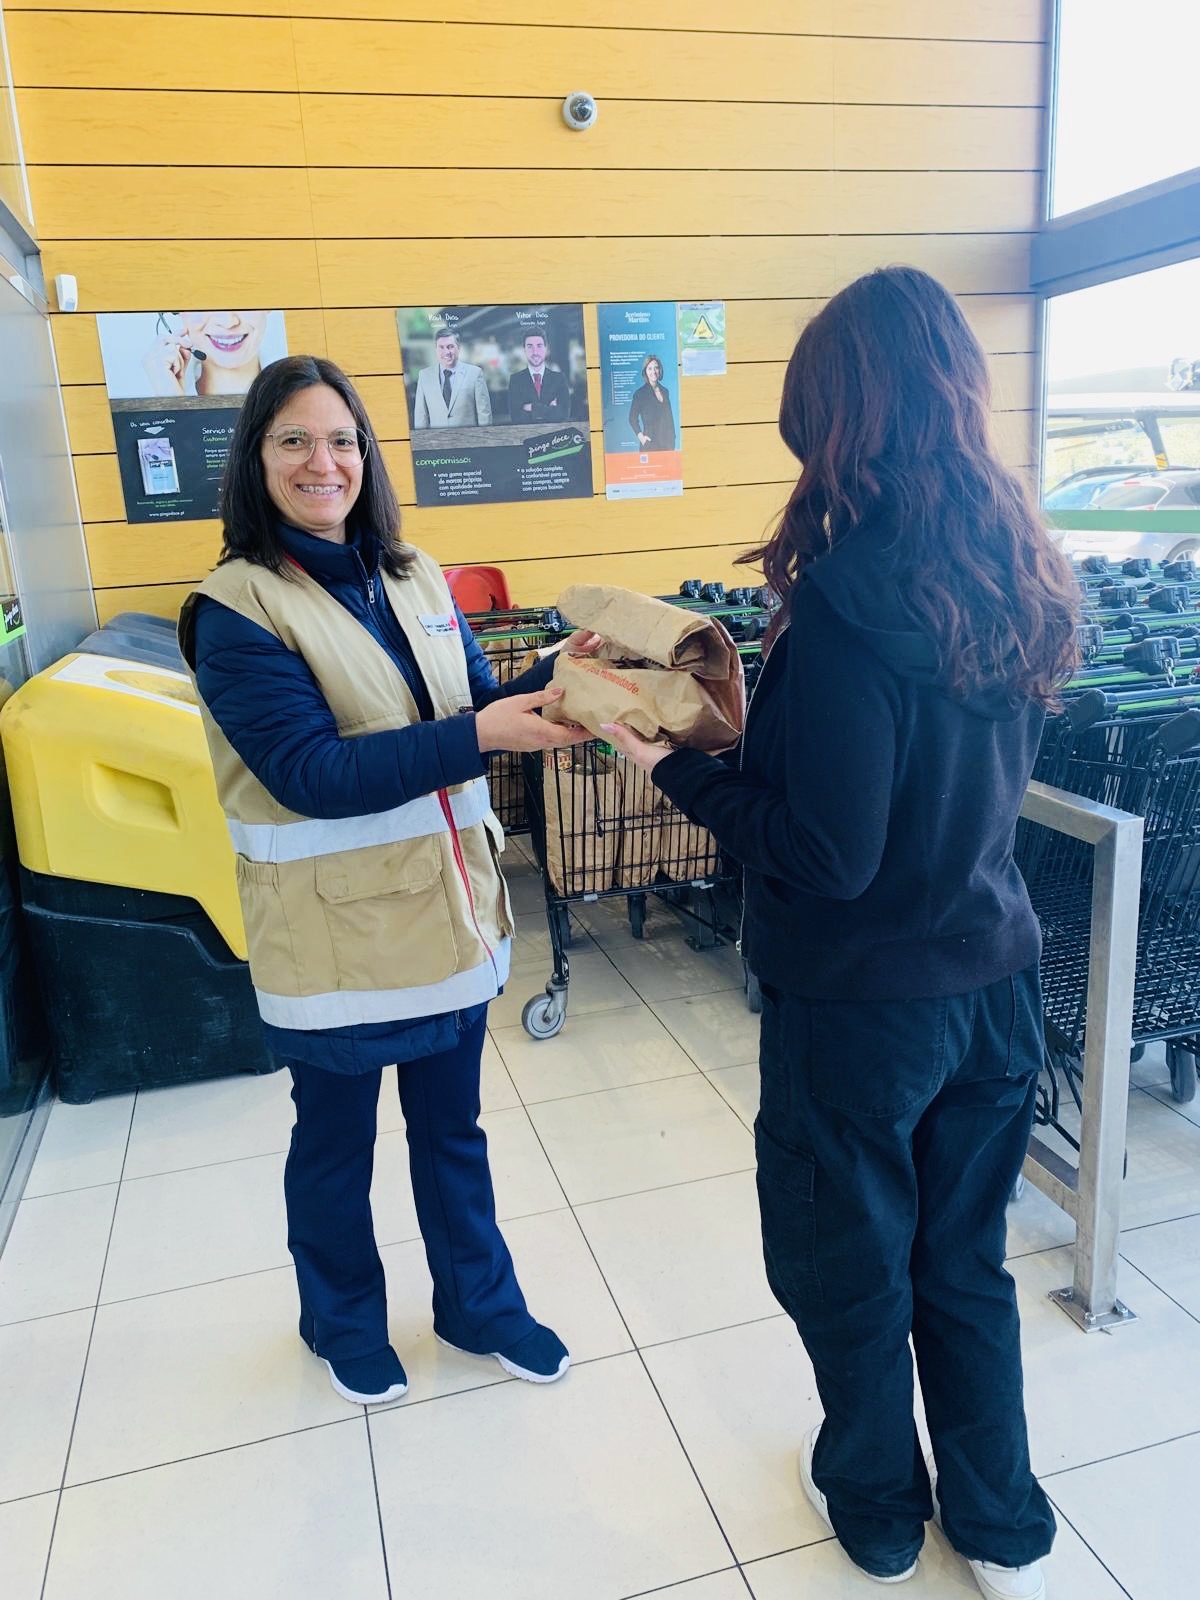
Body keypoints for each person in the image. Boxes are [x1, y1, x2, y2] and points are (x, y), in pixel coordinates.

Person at [602, 267, 1078, 1600]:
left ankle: (876, 1508)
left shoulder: (849, 597)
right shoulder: (1016, 570)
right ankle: (1000, 1523)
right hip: (993, 982)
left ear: (846, 417)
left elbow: (827, 853)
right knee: (963, 1263)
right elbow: (915, 786)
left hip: (863, 1010)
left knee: (850, 1265)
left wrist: (669, 764)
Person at [178, 355, 599, 1407]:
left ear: (366, 455)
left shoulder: (412, 574)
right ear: (256, 459)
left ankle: (479, 1306)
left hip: (451, 918)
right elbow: (311, 774)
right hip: (333, 945)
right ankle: (342, 1321)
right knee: (336, 1145)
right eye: (294, 440)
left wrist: (565, 674)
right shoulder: (236, 610)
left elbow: (475, 705)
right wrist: (480, 733)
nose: (322, 462)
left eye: (341, 440)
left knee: (454, 1131)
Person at [142, 311, 270, 397]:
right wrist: (171, 404)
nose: (228, 322)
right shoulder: (150, 394)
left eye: (242, 299)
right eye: (204, 301)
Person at [412, 329, 492, 428]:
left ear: (458, 348)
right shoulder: (424, 376)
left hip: (469, 437)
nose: (446, 352)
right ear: (436, 349)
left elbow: (484, 414)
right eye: (441, 347)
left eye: (450, 347)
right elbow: (421, 416)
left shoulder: (475, 373)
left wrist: (485, 436)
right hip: (436, 437)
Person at [507, 330, 571, 423]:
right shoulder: (515, 380)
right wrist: (550, 409)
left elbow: (564, 414)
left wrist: (532, 407)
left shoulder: (559, 379)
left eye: (539, 346)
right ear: (524, 350)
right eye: (530, 346)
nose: (535, 352)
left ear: (546, 349)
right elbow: (517, 418)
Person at [627, 355, 676, 450]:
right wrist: (642, 438)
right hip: (650, 445)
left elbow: (669, 418)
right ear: (645, 372)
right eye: (649, 368)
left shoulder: (665, 391)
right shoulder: (640, 394)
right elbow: (632, 418)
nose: (653, 372)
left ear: (660, 370)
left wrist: (673, 438)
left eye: (656, 368)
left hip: (667, 445)